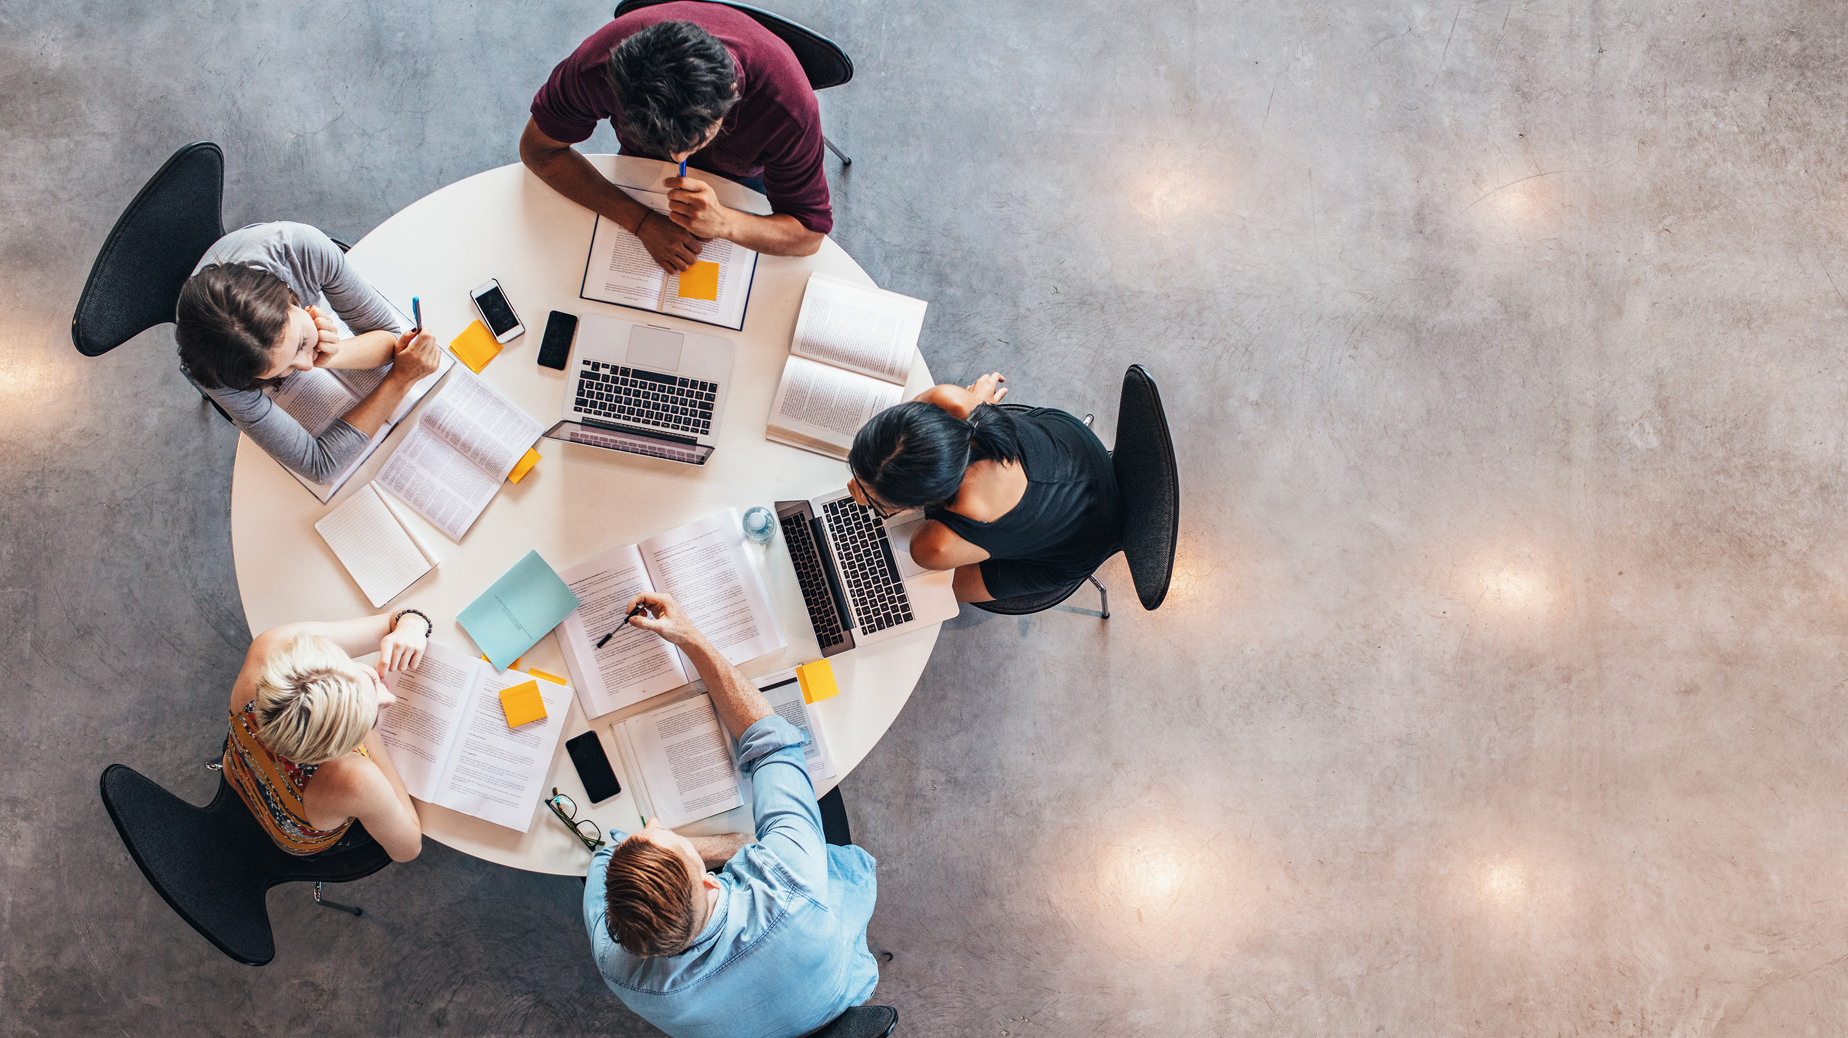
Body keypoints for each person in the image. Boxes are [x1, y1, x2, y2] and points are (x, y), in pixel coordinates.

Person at [585, 592, 879, 1038]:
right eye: (666, 836)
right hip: (837, 993)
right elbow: (774, 743)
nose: (653, 824)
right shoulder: (790, 881)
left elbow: (607, 853)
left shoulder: (618, 967)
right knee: (820, 794)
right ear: (708, 880)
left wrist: (702, 847)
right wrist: (690, 638)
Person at [521, 5, 831, 273]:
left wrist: (725, 222)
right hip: (638, 174)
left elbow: (809, 233)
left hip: (746, 181)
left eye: (695, 141)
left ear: (731, 94)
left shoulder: (788, 107)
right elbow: (538, 151)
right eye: (663, 144)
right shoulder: (598, 65)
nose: (677, 159)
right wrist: (640, 221)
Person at [176, 221, 444, 483]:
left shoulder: (303, 250)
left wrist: (335, 354)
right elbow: (320, 467)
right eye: (284, 369)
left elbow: (391, 336)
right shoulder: (219, 370)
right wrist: (399, 380)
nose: (306, 366)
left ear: (291, 297)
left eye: (301, 342)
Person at [848, 373, 1122, 603]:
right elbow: (903, 437)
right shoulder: (949, 399)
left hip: (1083, 545)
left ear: (920, 501)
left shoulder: (933, 546)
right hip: (1076, 446)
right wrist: (978, 404)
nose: (852, 487)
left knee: (926, 592)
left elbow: (932, 551)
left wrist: (887, 501)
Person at [219, 609, 432, 861]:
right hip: (295, 837)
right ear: (340, 748)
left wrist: (412, 624)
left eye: (368, 677)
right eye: (374, 712)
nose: (389, 697)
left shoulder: (271, 647)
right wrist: (369, 734)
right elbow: (408, 849)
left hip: (240, 772)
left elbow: (392, 621)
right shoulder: (356, 778)